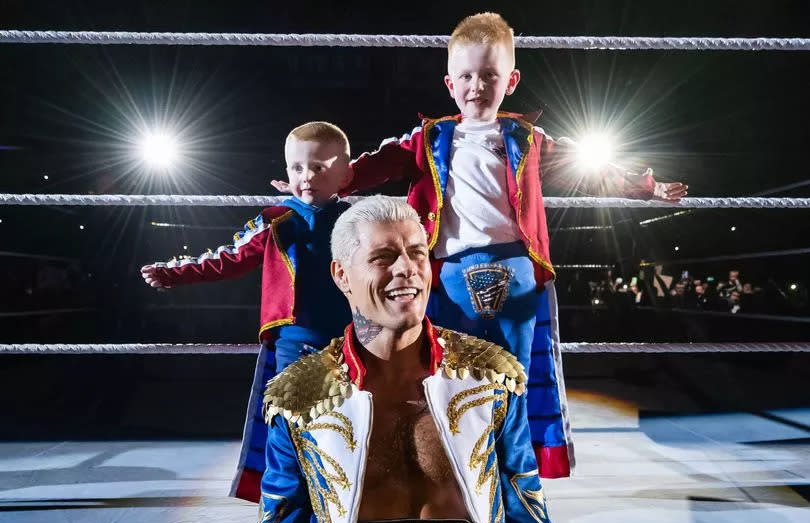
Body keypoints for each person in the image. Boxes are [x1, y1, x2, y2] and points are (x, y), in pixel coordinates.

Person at [274, 12, 687, 478]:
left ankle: (517, 476)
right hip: (447, 275)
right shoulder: (428, 138)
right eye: (467, 76)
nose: (477, 86)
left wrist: (645, 186)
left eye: (489, 75)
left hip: (518, 272)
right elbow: (373, 165)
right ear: (450, 83)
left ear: (510, 80)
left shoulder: (527, 138)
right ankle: (449, 472)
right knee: (444, 373)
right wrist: (320, 180)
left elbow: (589, 164)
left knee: (520, 376)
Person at [254, 196, 554, 523]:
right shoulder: (299, 398)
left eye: (417, 253)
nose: (406, 268)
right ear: (341, 275)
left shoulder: (491, 378)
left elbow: (528, 515)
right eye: (383, 257)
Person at [140, 121, 354, 502]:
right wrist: (175, 273)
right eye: (298, 168)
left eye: (319, 168)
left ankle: (341, 507)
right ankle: (284, 511)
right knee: (288, 432)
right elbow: (231, 257)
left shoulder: (358, 222)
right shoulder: (276, 220)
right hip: (294, 344)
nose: (306, 177)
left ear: (344, 173)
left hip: (352, 342)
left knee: (345, 430)